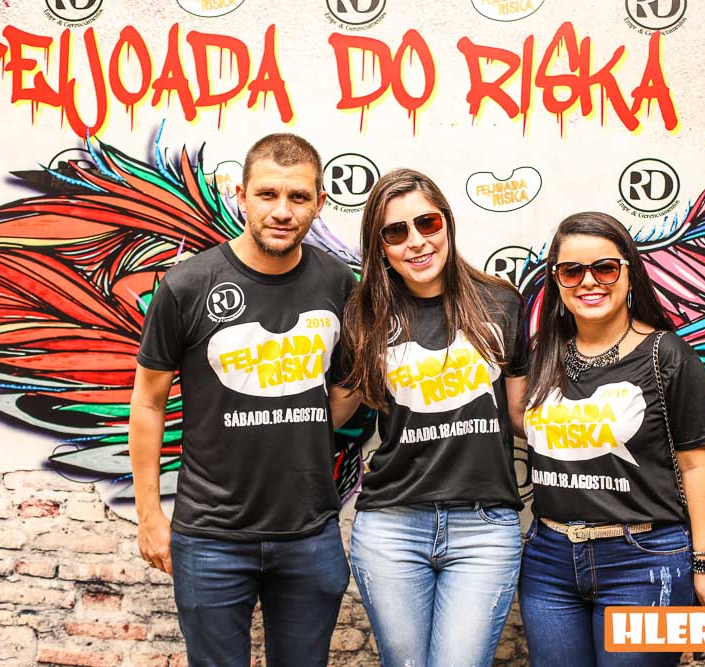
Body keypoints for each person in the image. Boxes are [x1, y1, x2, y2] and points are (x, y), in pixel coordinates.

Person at [128, 134, 359, 667]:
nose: (282, 211)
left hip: (309, 533)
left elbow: (347, 384)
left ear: (319, 202)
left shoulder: (336, 281)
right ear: (242, 195)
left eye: (298, 197)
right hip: (211, 536)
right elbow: (148, 403)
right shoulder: (187, 285)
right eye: (267, 194)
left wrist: (301, 426)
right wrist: (149, 516)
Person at [519, 212, 705, 667]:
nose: (588, 282)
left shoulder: (668, 355)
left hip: (643, 562)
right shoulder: (544, 356)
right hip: (549, 561)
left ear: (630, 273)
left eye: (605, 268)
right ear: (556, 281)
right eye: (571, 271)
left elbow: (697, 466)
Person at [340, 168, 528, 667]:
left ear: (447, 222)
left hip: (484, 528)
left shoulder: (500, 301)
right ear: (379, 246)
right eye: (395, 232)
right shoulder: (364, 315)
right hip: (391, 525)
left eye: (427, 223)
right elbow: (339, 409)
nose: (417, 241)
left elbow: (520, 414)